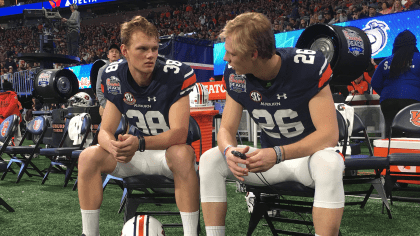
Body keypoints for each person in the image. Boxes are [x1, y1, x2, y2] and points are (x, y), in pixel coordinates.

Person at [199, 12, 344, 236]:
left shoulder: (307, 66)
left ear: (254, 54)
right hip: (267, 161)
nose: (225, 58)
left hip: (306, 161)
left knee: (330, 163)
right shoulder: (235, 75)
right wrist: (229, 150)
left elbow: (328, 135)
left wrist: (277, 153)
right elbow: (226, 129)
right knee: (210, 159)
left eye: (231, 53)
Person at [77, 15, 199, 236]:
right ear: (124, 51)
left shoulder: (176, 74)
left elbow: (180, 133)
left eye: (154, 48)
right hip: (134, 155)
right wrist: (114, 146)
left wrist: (140, 143)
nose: (151, 55)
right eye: (142, 49)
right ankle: (89, 233)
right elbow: (104, 131)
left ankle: (191, 233)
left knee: (182, 153)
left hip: (166, 156)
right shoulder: (113, 75)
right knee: (88, 156)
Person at [371, 30, 420, 138]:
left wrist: (386, 93)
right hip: (413, 100)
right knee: (414, 133)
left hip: (388, 101)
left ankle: (391, 154)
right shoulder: (418, 58)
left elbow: (375, 83)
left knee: (392, 133)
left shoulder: (385, 61)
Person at [95, 43, 122, 117]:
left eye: (116, 52)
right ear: (108, 56)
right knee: (107, 128)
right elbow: (99, 88)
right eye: (112, 51)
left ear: (119, 56)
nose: (114, 53)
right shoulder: (103, 69)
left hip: (121, 106)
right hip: (107, 105)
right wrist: (104, 105)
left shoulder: (123, 69)